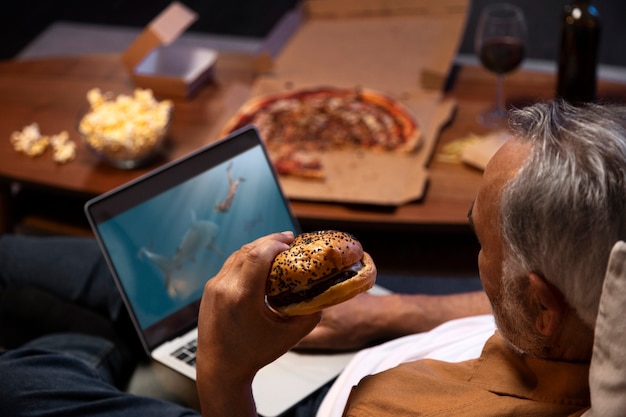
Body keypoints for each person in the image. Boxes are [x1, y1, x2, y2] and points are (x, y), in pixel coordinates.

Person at [1, 98, 625, 416]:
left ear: (542, 306)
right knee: (26, 260)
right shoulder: (594, 287)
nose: (476, 256)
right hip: (369, 338)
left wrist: (224, 373)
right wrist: (390, 313)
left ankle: (94, 354)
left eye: (481, 243)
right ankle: (119, 348)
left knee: (25, 377)